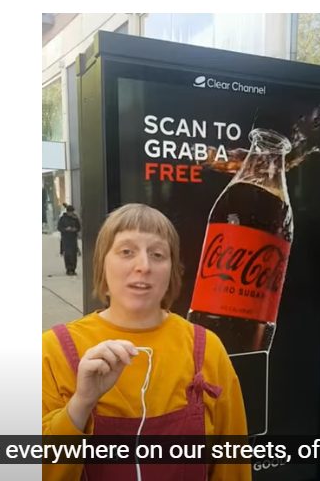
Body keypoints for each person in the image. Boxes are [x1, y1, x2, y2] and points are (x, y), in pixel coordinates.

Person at [42, 203, 250, 481]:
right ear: (102, 262)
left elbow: (232, 466)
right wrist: (81, 403)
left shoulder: (207, 349)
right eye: (127, 252)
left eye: (158, 254)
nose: (144, 266)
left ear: (172, 270)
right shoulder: (53, 351)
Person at [58, 204, 81, 275]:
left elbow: (79, 227)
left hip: (73, 238)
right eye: (69, 212)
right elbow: (59, 227)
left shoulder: (75, 218)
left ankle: (73, 269)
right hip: (65, 238)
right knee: (67, 254)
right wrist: (66, 229)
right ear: (67, 212)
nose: (71, 213)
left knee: (73, 254)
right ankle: (68, 269)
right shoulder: (63, 218)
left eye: (72, 212)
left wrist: (75, 229)